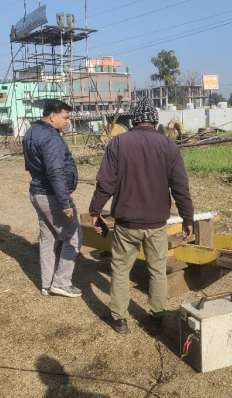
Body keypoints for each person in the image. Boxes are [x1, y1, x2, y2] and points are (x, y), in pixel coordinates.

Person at [89, 98, 194, 334]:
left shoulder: (118, 143)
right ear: (154, 121)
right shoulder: (169, 146)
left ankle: (119, 319)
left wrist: (95, 211)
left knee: (120, 270)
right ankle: (157, 317)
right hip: (156, 223)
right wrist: (188, 218)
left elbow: (105, 183)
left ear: (134, 121)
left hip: (126, 224)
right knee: (157, 270)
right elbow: (180, 187)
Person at [23, 99, 82, 298]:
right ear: (52, 116)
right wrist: (65, 202)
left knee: (47, 239)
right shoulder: (51, 138)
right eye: (65, 117)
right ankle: (62, 283)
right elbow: (56, 172)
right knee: (73, 237)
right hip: (51, 195)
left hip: (37, 192)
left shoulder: (31, 131)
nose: (68, 122)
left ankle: (47, 284)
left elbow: (30, 164)